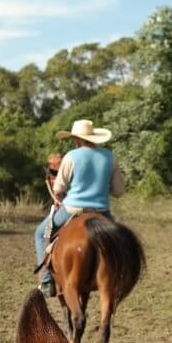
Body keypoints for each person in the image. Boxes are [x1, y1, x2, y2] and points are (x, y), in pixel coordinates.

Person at [34, 119, 125, 297]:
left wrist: (59, 197)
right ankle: (120, 276)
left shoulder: (71, 156)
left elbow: (58, 188)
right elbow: (118, 192)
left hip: (72, 210)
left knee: (40, 233)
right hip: (102, 212)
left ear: (77, 139)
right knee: (121, 243)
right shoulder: (110, 157)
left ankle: (46, 281)